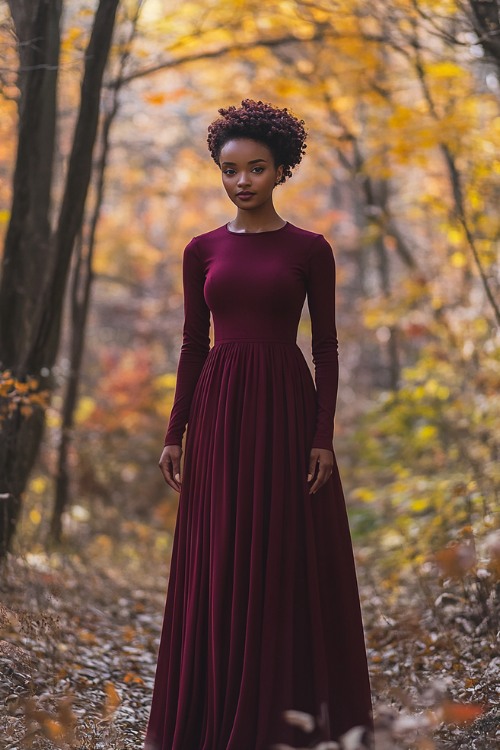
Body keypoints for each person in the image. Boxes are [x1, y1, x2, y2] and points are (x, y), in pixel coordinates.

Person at [143, 98, 373, 750]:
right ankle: (214, 712)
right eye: (230, 169)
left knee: (280, 558)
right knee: (220, 559)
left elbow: (326, 348)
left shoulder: (311, 250)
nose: (242, 181)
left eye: (256, 168)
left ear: (281, 170)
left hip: (285, 413)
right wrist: (174, 431)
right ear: (219, 172)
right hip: (219, 415)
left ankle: (282, 717)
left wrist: (322, 435)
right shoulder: (201, 250)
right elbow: (193, 343)